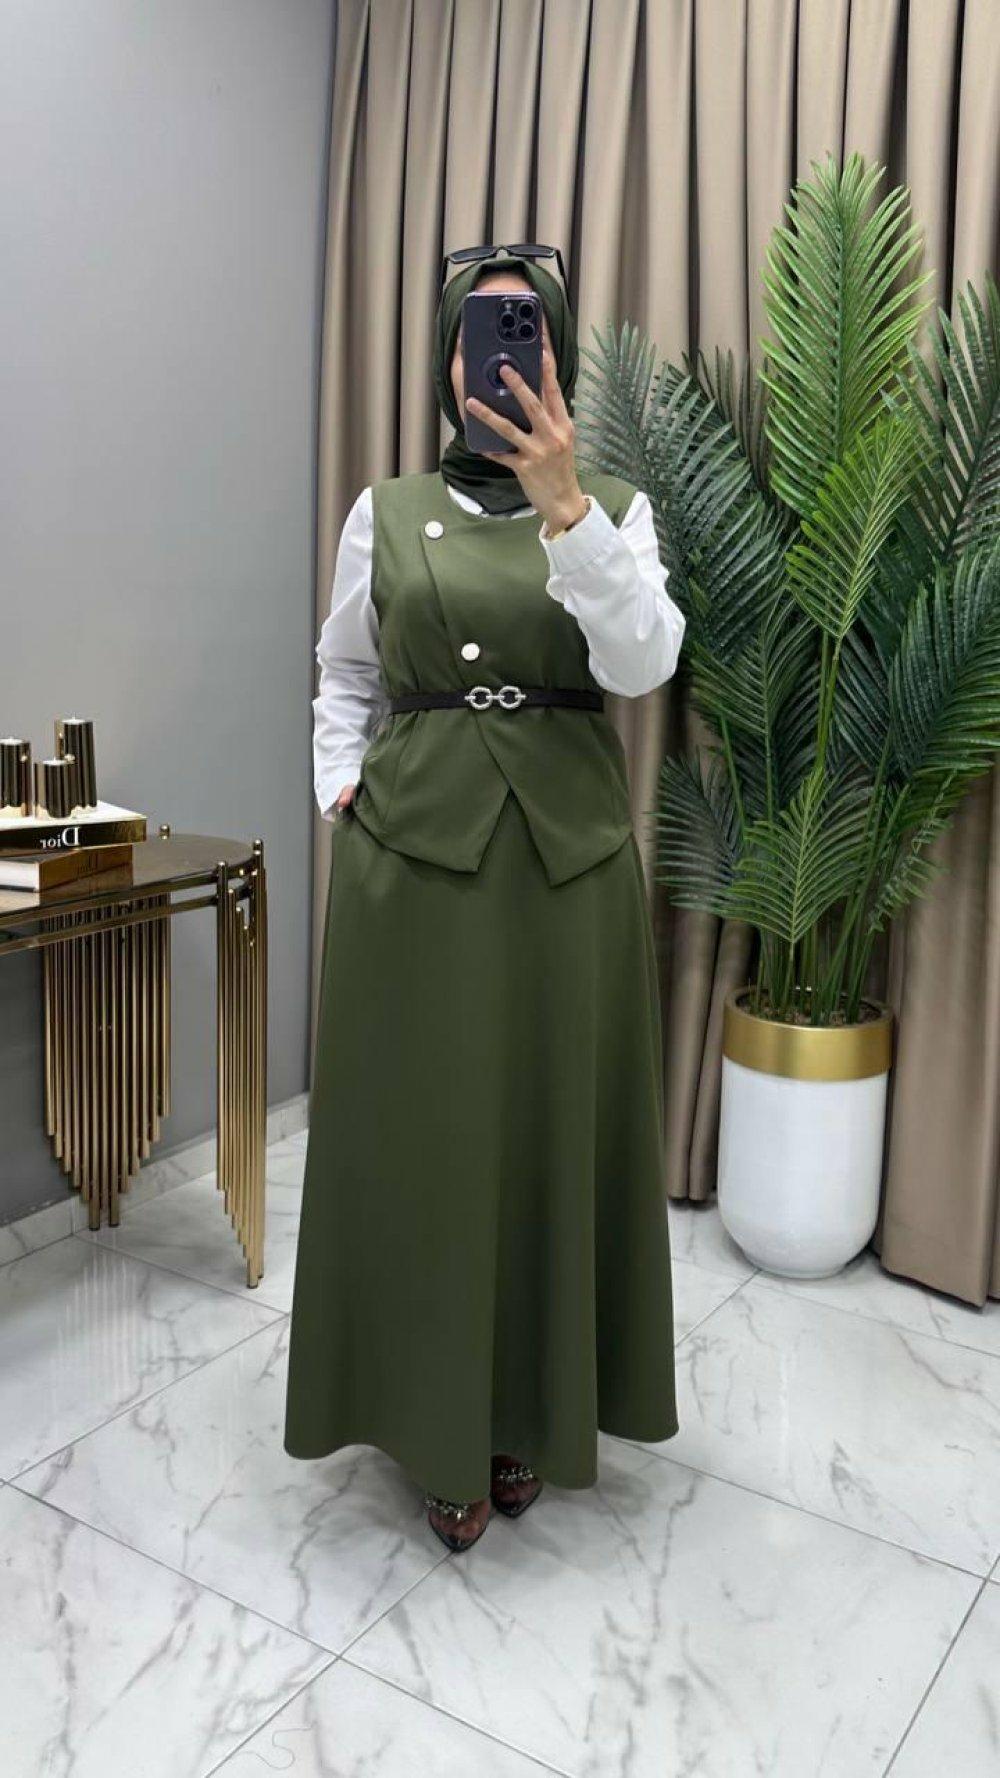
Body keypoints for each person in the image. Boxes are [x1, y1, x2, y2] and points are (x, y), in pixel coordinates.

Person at [283, 247, 686, 1553]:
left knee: (539, 1137)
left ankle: (526, 1413)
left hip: (566, 871)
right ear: (448, 357)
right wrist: (341, 786)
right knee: (430, 1148)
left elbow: (643, 665)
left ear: (555, 352)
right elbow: (345, 671)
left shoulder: (613, 508)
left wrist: (567, 509)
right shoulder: (385, 510)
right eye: (480, 330)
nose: (501, 354)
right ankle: (432, 1419)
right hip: (414, 865)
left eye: (525, 330)